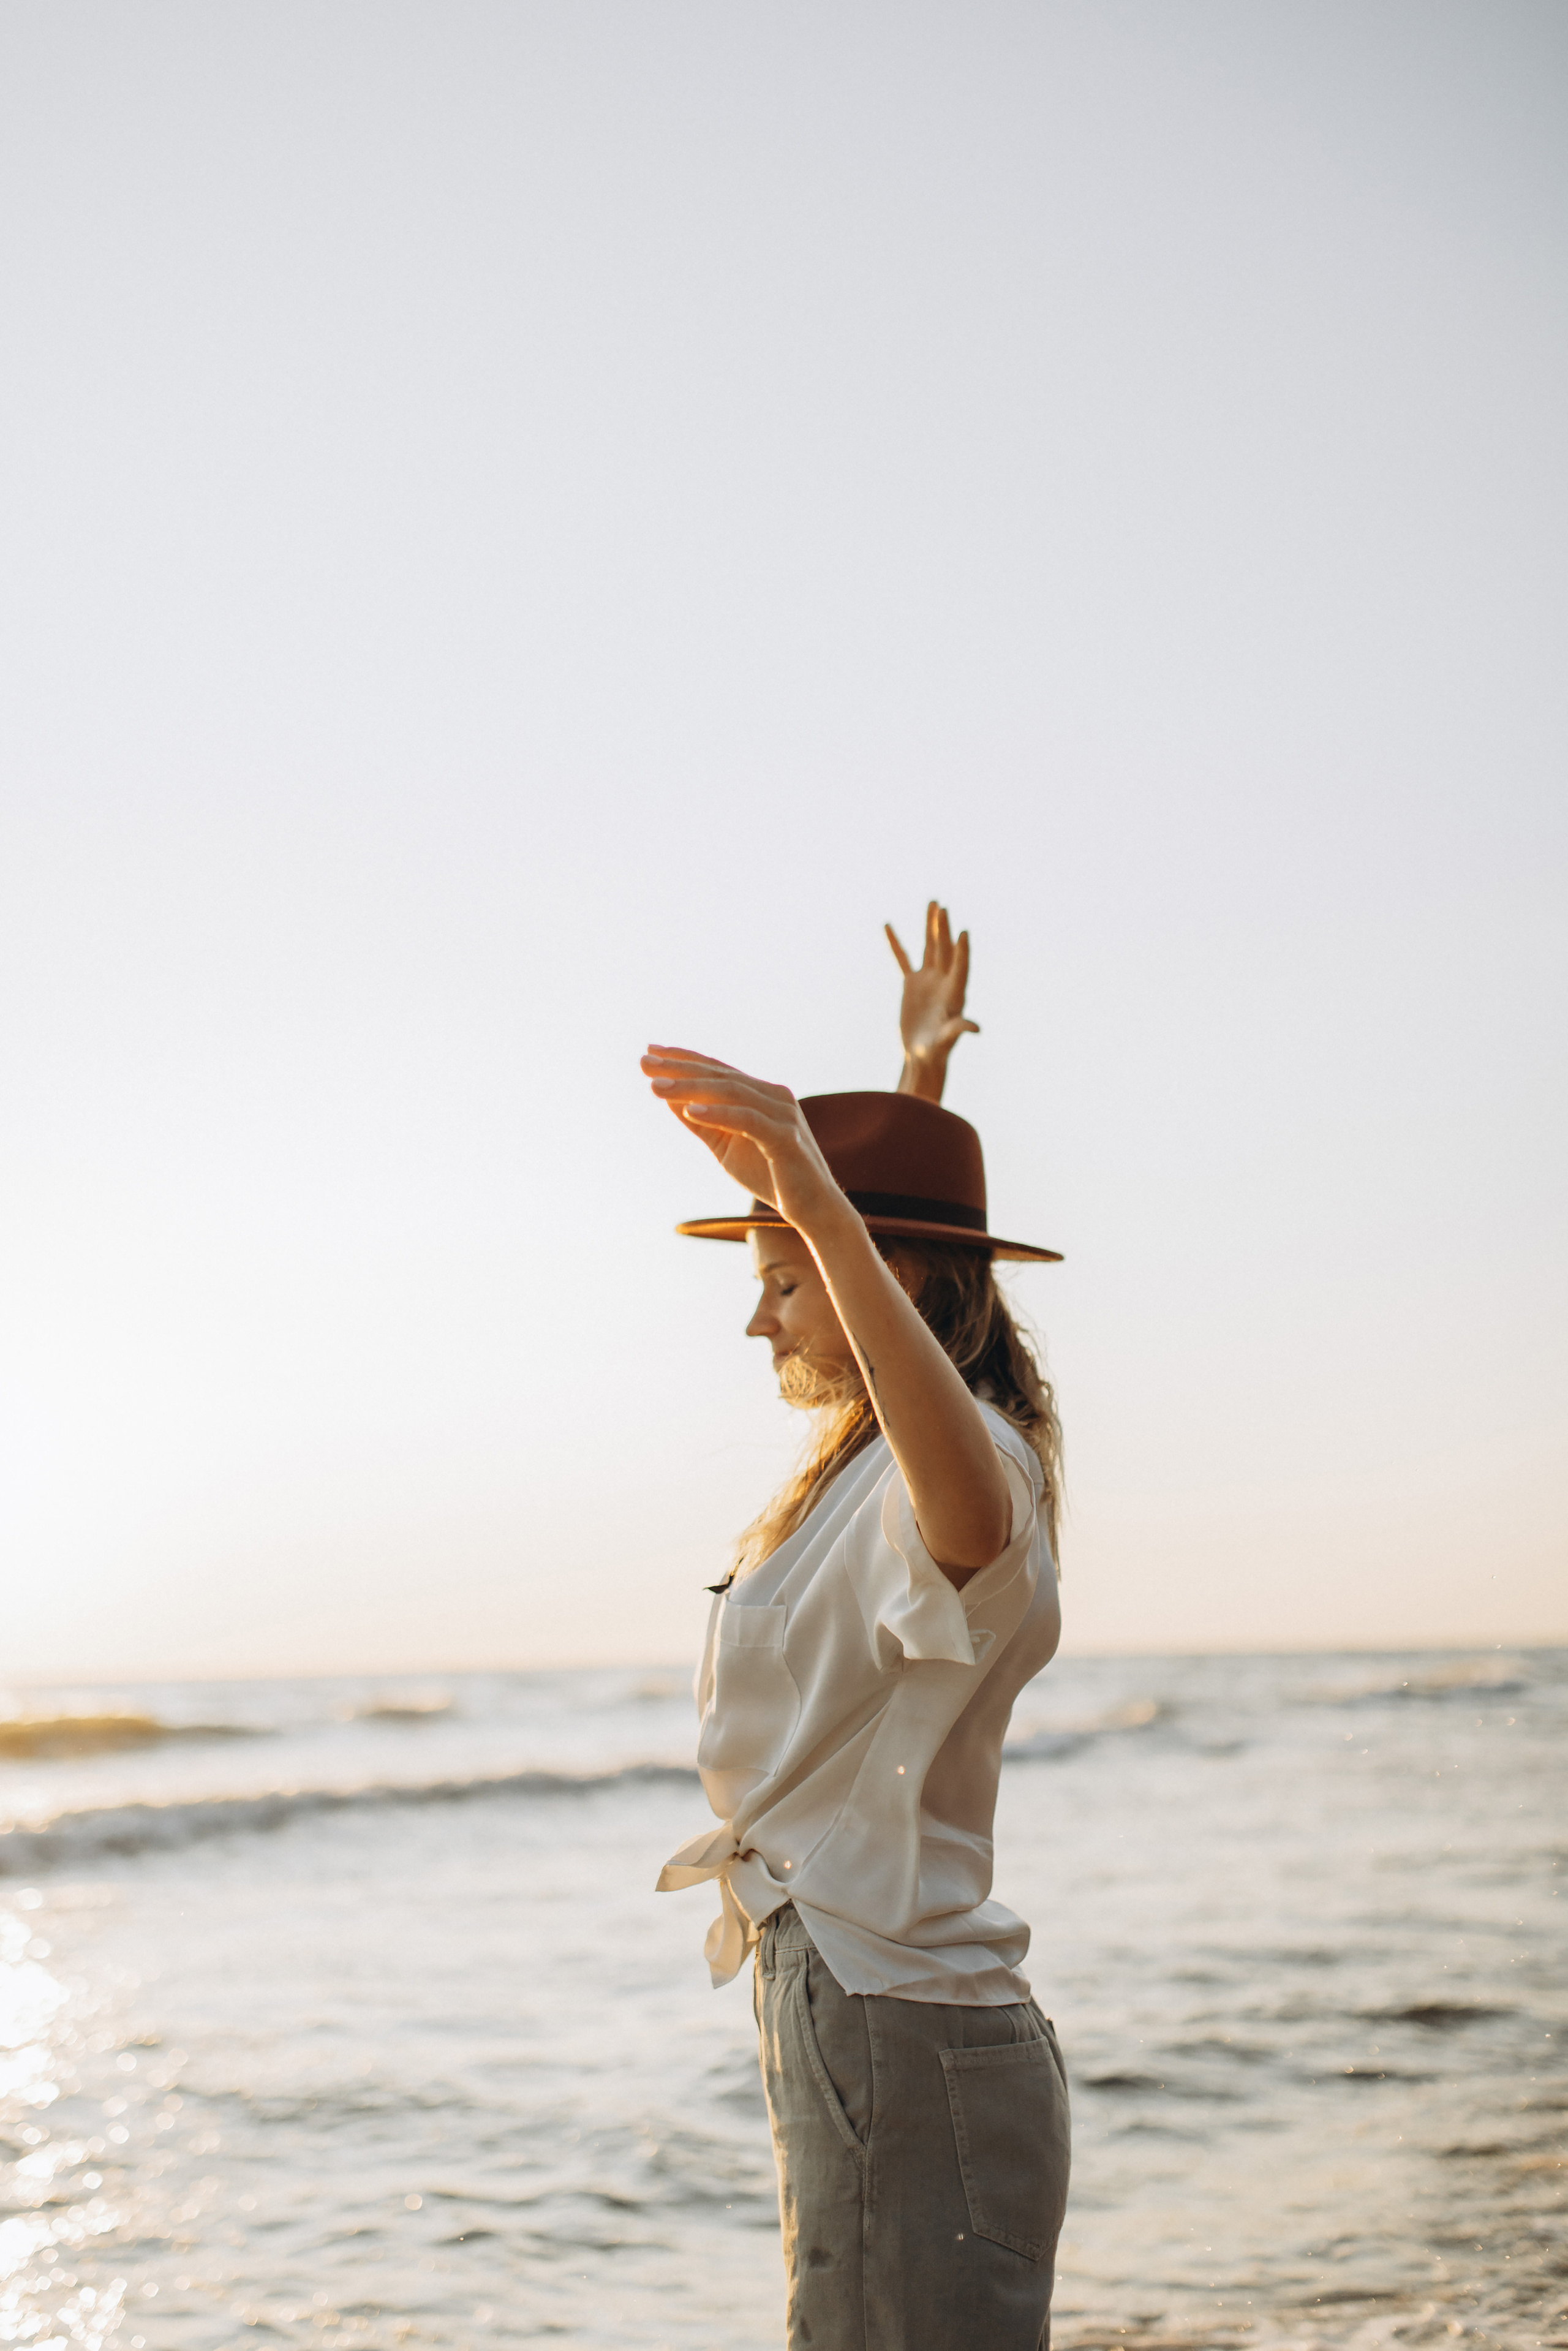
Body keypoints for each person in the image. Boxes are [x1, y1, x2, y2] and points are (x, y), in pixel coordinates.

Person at [640, 903, 1070, 2351]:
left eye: (778, 1283)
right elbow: (904, 1303)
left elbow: (925, 1398)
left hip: (898, 2022)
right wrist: (912, 1081)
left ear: (870, 1275)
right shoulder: (871, 1461)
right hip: (850, 2001)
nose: (757, 1323)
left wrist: (819, 1201)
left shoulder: (972, 1473)